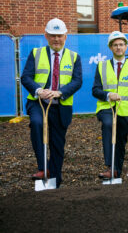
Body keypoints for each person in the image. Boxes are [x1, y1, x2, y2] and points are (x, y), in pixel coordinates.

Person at [21, 18, 82, 188]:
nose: (56, 39)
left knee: (57, 143)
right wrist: (39, 90)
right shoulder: (36, 53)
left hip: (61, 105)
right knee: (36, 123)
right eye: (53, 35)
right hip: (38, 102)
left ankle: (55, 181)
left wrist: (60, 92)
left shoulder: (74, 57)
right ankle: (43, 167)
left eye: (60, 36)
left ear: (66, 36)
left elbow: (77, 81)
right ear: (46, 35)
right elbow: (26, 77)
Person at [92, 31, 128, 180]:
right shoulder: (101, 66)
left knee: (120, 142)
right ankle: (110, 166)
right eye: (115, 45)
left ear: (126, 46)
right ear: (110, 47)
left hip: (127, 111)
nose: (118, 47)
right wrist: (108, 95)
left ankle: (116, 172)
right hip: (106, 107)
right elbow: (95, 90)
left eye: (121, 44)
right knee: (108, 125)